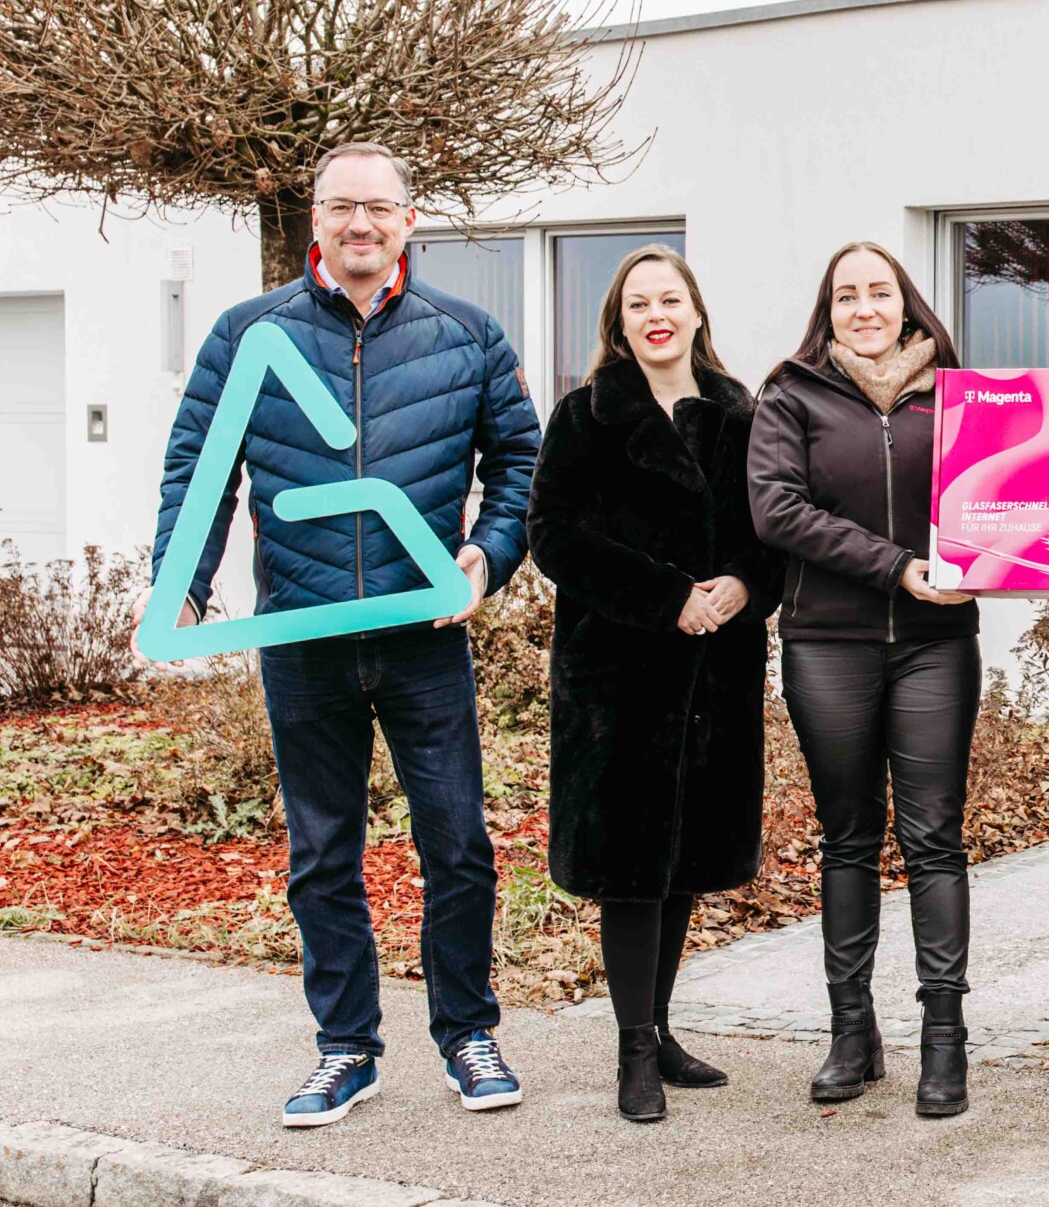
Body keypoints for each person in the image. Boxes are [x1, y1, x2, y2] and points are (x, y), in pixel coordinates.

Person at [146, 142, 541, 1128]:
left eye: (378, 207)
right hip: (304, 632)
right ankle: (345, 1048)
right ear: (314, 219)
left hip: (421, 631)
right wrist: (182, 590)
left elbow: (522, 465)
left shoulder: (469, 335)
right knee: (322, 855)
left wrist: (485, 560)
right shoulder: (248, 334)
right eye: (340, 207)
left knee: (457, 846)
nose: (360, 224)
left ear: (410, 220)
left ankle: (467, 1033)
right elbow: (199, 468)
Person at [526, 245, 776, 1124]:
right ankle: (633, 1049)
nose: (656, 315)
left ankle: (662, 1030)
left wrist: (744, 586)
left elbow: (770, 529)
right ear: (620, 322)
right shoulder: (584, 416)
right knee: (633, 865)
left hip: (717, 676)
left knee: (680, 867)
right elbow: (554, 536)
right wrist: (668, 597)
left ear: (697, 312)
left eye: (670, 299)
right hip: (618, 679)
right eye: (639, 304)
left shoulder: (742, 415)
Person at [747, 242, 980, 1118]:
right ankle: (853, 1034)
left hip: (936, 643)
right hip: (827, 641)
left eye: (879, 291)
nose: (864, 307)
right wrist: (896, 567)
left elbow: (1004, 492)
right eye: (846, 294)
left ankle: (945, 1043)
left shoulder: (960, 393)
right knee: (848, 837)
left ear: (908, 304)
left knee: (934, 839)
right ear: (829, 310)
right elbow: (776, 510)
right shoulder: (790, 392)